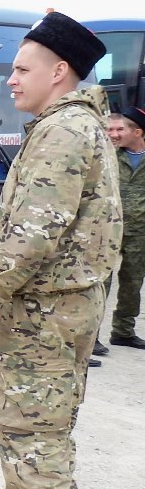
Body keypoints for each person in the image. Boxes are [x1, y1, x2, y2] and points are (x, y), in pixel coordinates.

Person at [0, 12, 120, 489]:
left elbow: (33, 235)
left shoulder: (62, 132)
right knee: (51, 424)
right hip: (67, 306)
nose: (10, 80)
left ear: (58, 72)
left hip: (43, 311)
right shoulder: (82, 125)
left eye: (20, 69)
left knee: (29, 428)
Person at [106, 107, 145, 349]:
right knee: (101, 282)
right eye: (110, 129)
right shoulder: (108, 155)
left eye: (120, 129)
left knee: (132, 282)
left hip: (139, 231)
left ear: (137, 132)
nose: (114, 134)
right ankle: (90, 338)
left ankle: (123, 331)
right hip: (109, 228)